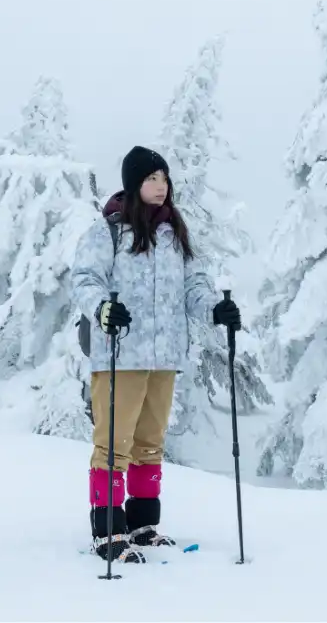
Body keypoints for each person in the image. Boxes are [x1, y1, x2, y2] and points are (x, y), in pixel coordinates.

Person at [71, 146, 241, 563]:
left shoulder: (174, 235)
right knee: (113, 445)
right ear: (134, 183)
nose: (160, 187)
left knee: (149, 444)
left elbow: (194, 286)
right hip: (120, 354)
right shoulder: (108, 232)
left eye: (164, 179)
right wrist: (102, 308)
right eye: (151, 179)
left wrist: (214, 308)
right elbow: (84, 279)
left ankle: (143, 526)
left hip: (164, 357)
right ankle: (107, 531)